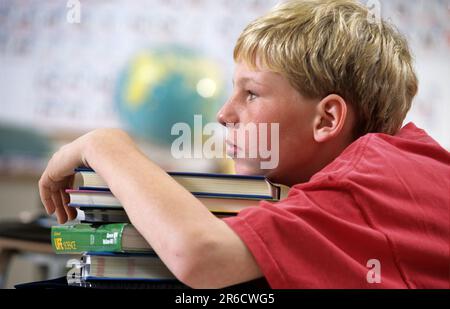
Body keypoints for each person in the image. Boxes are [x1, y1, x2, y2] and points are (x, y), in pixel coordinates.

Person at [38, 0, 449, 288]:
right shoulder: (405, 163)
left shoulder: (360, 181)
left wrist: (107, 145)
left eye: (251, 94)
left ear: (327, 119)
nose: (223, 114)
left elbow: (200, 255)